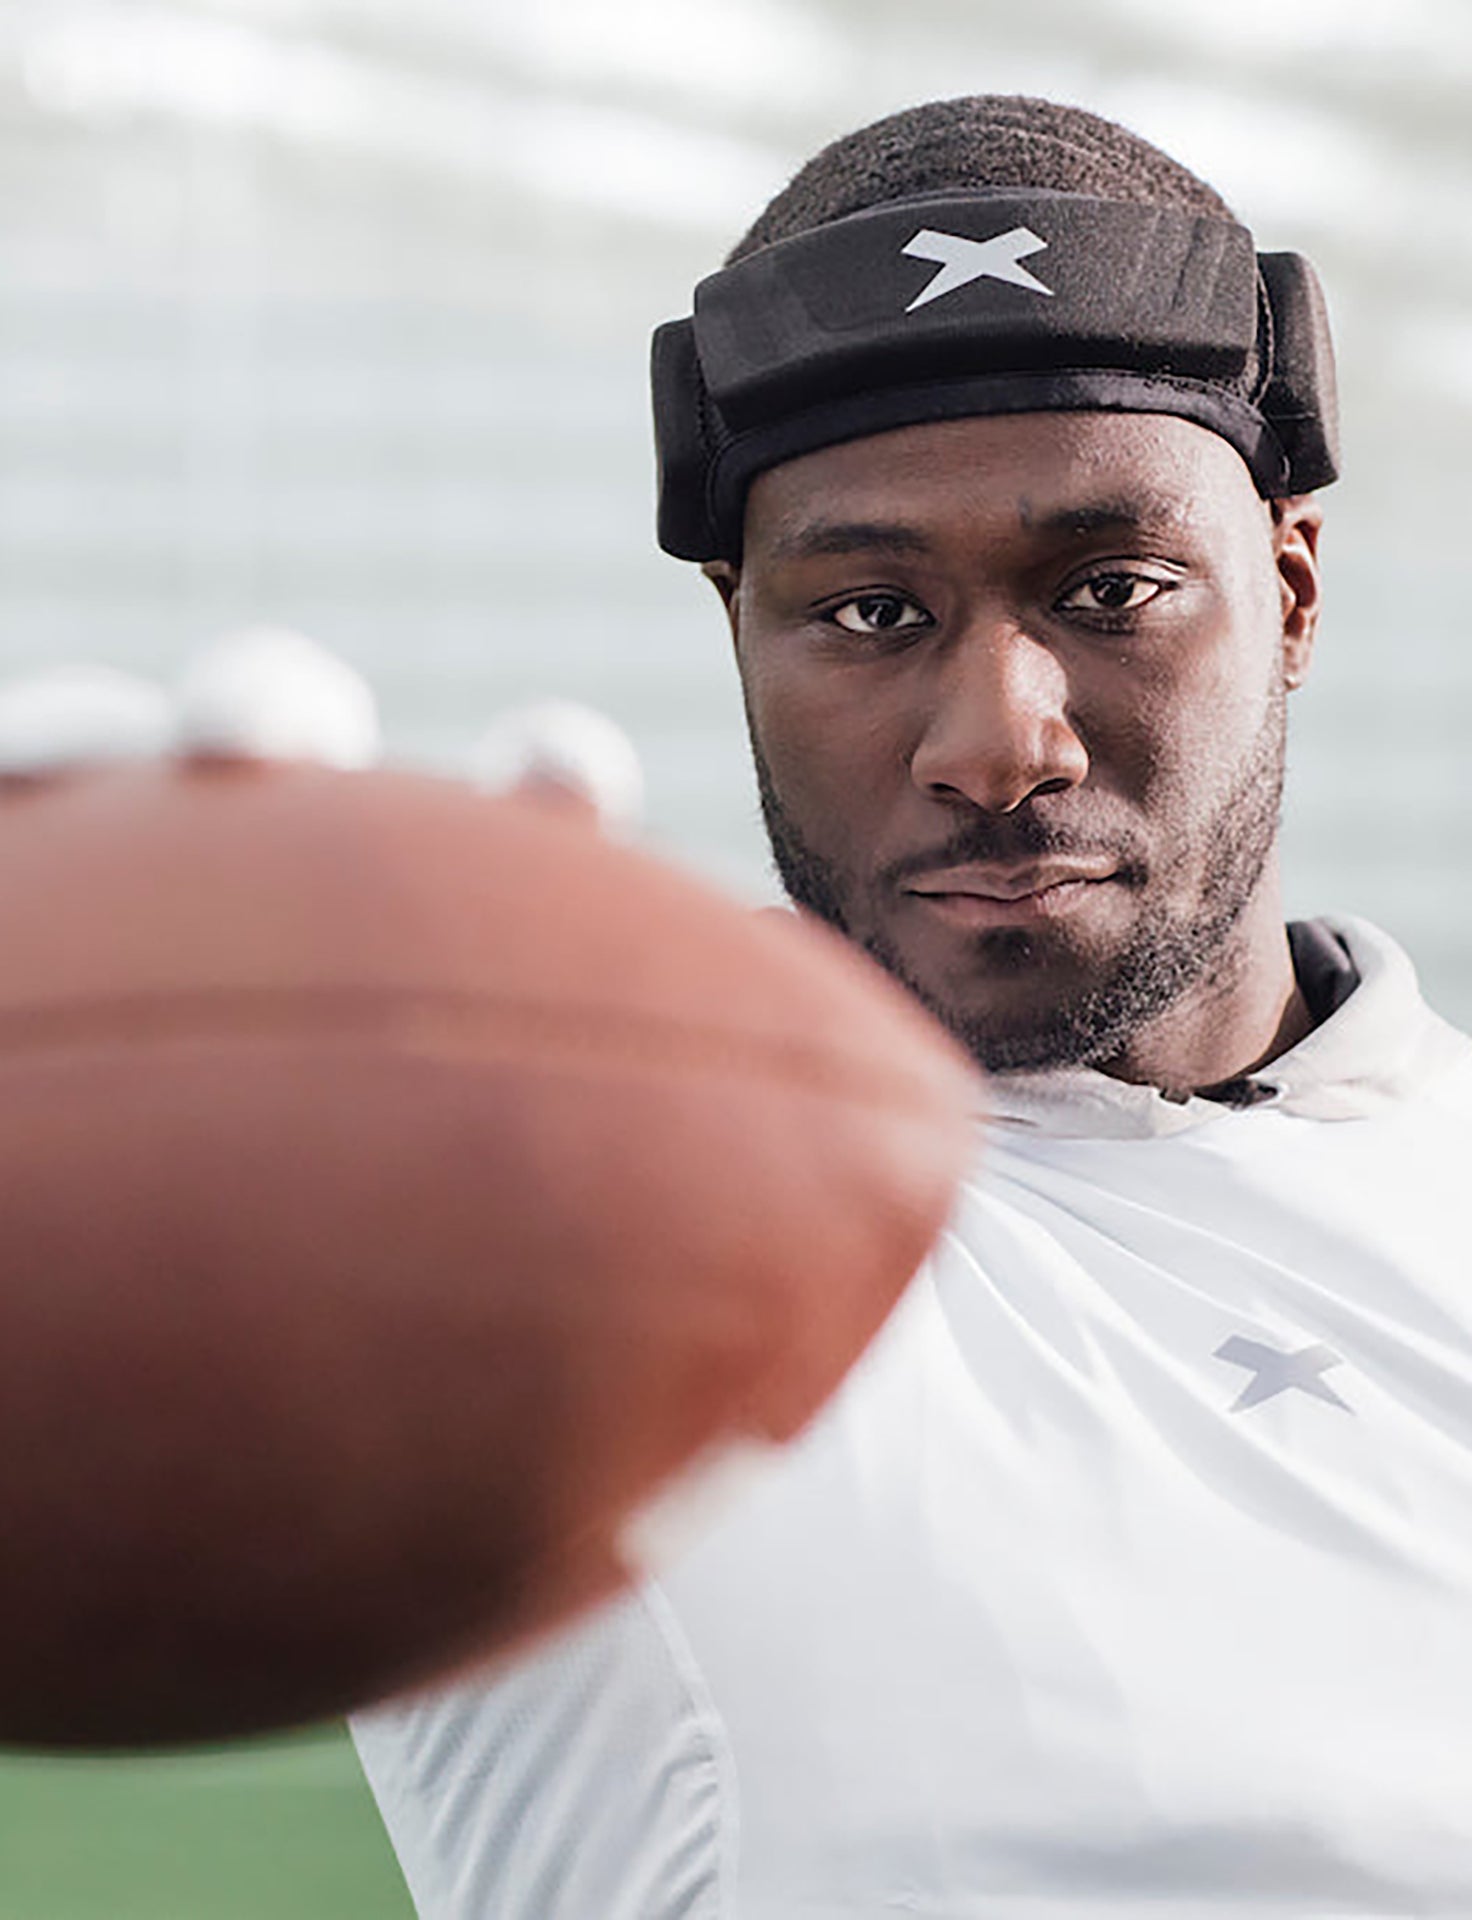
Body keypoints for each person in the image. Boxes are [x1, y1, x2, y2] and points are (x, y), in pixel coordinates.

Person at [349, 94, 1472, 1917]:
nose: (996, 743)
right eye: (870, 614)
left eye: (1113, 588)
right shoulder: (583, 1218)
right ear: (739, 635)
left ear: (1289, 587)